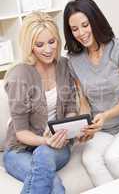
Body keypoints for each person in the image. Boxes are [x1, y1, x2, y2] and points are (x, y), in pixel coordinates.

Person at [3, 11, 77, 194]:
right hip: (19, 150)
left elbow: (70, 109)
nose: (48, 49)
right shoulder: (19, 75)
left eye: (52, 42)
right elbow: (20, 132)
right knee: (55, 186)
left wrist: (65, 128)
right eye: (40, 44)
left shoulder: (64, 66)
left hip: (57, 146)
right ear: (30, 46)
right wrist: (45, 140)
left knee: (44, 153)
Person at [63, 0, 119, 187]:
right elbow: (84, 101)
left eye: (85, 25)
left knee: (113, 157)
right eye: (74, 29)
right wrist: (83, 126)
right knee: (91, 160)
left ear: (95, 20)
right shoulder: (74, 59)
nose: (81, 33)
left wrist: (105, 115)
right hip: (102, 129)